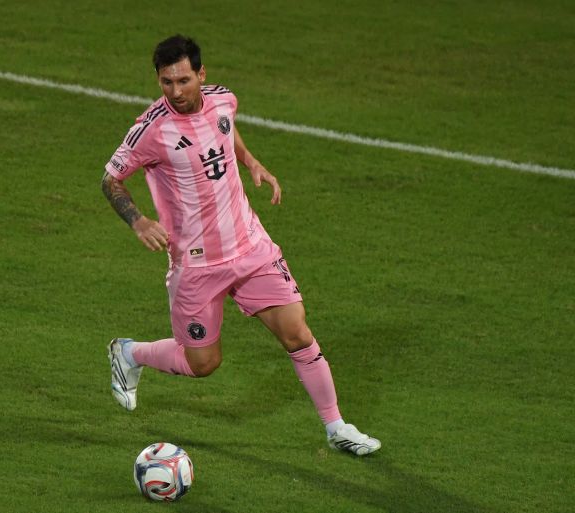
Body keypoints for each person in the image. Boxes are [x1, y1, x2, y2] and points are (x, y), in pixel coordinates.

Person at [101, 35, 380, 456]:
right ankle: (129, 353)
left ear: (201, 75)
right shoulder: (152, 130)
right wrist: (138, 220)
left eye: (182, 80)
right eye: (165, 83)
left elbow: (226, 132)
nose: (175, 92)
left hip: (251, 248)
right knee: (204, 364)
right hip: (196, 265)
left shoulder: (223, 100)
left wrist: (251, 161)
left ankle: (336, 427)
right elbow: (111, 179)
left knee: (297, 334)